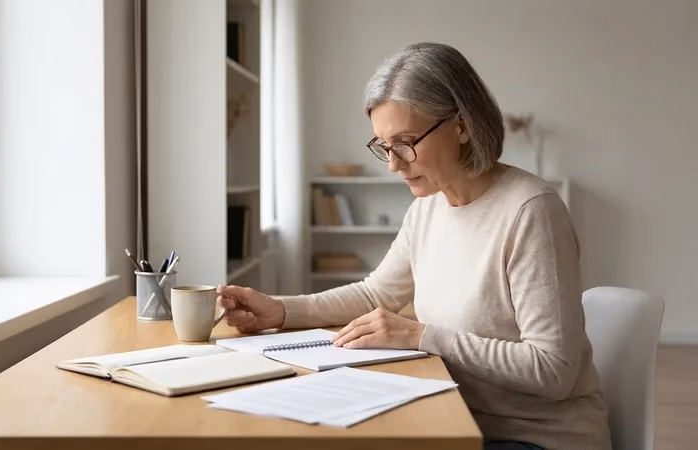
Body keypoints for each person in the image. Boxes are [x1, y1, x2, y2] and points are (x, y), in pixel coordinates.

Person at [217, 42, 611, 450]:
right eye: (383, 145)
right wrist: (280, 310)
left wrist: (421, 335)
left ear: (462, 125)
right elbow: (376, 293)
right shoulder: (429, 206)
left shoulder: (530, 212)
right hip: (451, 417)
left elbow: (553, 370)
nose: (393, 163)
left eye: (405, 142)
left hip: (531, 437)